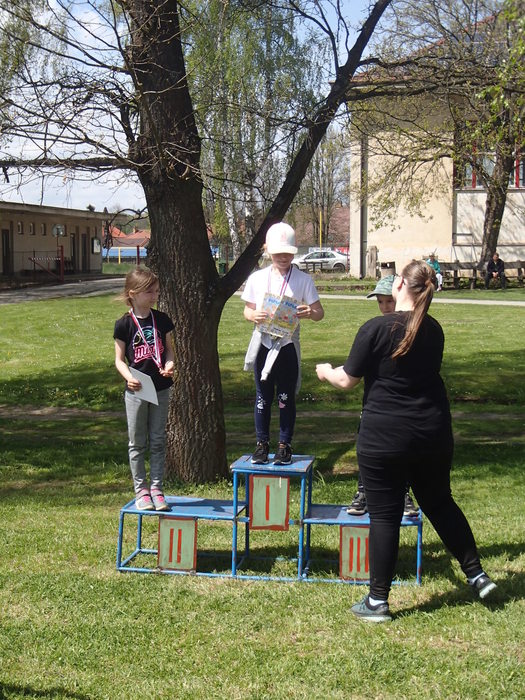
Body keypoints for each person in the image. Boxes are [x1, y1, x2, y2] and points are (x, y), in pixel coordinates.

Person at [316, 260, 496, 622]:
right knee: (440, 503)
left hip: (385, 437)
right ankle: (477, 574)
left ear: (399, 285)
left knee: (385, 515)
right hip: (433, 433)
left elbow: (347, 380)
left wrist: (325, 372)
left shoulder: (375, 328)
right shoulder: (434, 330)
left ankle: (377, 602)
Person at [242, 222, 324, 465]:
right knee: (262, 397)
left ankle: (284, 445)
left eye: (288, 253)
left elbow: (319, 313)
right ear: (268, 251)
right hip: (263, 343)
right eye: (278, 253)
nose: (283, 258)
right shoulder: (257, 278)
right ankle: (261, 444)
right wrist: (253, 316)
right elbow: (247, 310)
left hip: (287, 346)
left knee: (285, 397)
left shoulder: (303, 279)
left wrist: (309, 312)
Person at [347, 274, 419, 519]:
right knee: (367, 447)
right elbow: (355, 369)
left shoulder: (414, 329)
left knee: (403, 451)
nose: (385, 307)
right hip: (375, 405)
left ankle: (404, 493)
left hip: (404, 407)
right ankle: (363, 491)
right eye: (380, 302)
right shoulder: (375, 329)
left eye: (389, 301)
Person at [114, 268, 175, 511]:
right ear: (133, 293)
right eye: (150, 292)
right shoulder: (124, 324)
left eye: (157, 291)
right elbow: (119, 360)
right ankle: (141, 491)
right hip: (137, 390)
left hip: (161, 388)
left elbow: (169, 350)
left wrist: (170, 364)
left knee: (158, 440)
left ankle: (157, 490)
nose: (155, 296)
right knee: (137, 443)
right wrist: (129, 378)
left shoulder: (162, 319)